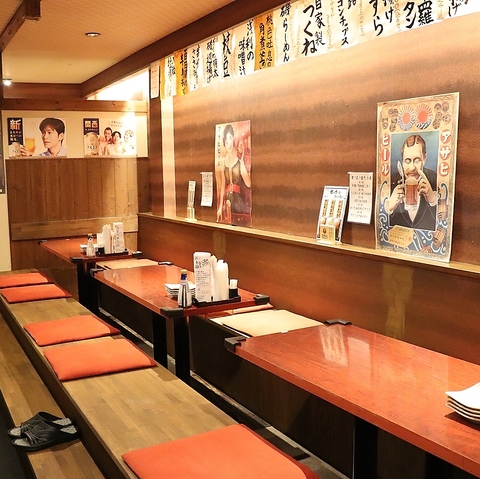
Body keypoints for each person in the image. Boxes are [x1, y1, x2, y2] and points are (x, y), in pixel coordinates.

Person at [387, 134, 437, 231]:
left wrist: (432, 198)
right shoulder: (391, 181)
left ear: (424, 159)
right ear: (402, 161)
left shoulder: (435, 179)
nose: (412, 167)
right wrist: (389, 206)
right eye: (407, 161)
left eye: (417, 161)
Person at [216, 124, 251, 224]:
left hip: (238, 201)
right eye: (226, 141)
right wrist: (219, 207)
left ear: (233, 139)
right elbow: (222, 187)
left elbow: (248, 183)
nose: (229, 143)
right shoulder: (223, 163)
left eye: (230, 138)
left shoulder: (239, 161)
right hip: (227, 201)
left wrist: (242, 161)